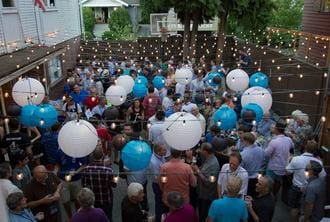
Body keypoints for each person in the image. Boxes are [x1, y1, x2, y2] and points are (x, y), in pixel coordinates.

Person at [286, 140, 326, 221]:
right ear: (315, 151)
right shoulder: (318, 162)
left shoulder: (296, 159)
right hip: (309, 189)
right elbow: (323, 176)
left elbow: (288, 172)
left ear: (304, 148)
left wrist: (288, 159)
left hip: (297, 188)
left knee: (294, 208)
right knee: (305, 210)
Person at [81, 147, 116, 221]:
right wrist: (116, 179)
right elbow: (114, 185)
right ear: (103, 155)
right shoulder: (108, 170)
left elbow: (84, 185)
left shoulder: (86, 169)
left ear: (92, 156)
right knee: (108, 217)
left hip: (94, 200)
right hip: (106, 199)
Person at [54, 149, 87, 219]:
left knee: (77, 199)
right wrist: (55, 172)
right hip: (63, 180)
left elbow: (83, 165)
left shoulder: (79, 151)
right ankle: (70, 217)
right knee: (65, 201)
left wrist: (76, 172)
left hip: (76, 180)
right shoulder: (59, 152)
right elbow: (57, 165)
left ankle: (78, 216)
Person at [191, 143, 220, 222]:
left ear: (205, 152)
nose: (199, 151)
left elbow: (210, 182)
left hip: (207, 196)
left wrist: (197, 171)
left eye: (201, 149)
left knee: (203, 216)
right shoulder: (207, 159)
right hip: (202, 193)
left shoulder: (214, 164)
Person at [265, 120, 294, 195]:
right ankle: (275, 195)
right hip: (283, 166)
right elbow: (292, 148)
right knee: (278, 182)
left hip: (273, 166)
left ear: (277, 129)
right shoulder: (289, 140)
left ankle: (269, 195)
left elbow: (267, 154)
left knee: (269, 183)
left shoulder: (274, 141)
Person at [240, 133, 265, 198]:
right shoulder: (261, 150)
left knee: (247, 197)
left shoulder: (243, 154)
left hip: (247, 179)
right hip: (258, 178)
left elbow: (240, 169)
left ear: (246, 141)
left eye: (242, 141)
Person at [149, 143, 167, 222]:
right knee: (159, 204)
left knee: (163, 203)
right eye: (164, 150)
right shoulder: (154, 162)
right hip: (158, 185)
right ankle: (158, 219)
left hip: (162, 183)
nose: (166, 151)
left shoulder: (161, 157)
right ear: (158, 151)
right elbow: (157, 178)